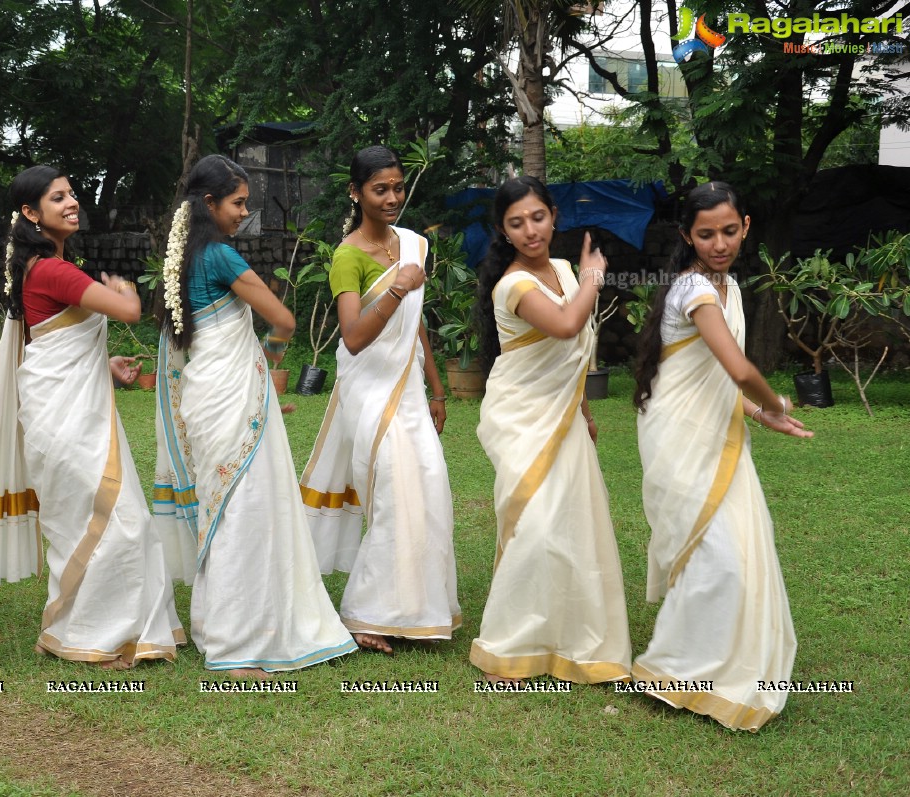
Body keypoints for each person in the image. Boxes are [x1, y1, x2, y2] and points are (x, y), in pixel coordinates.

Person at [0, 165, 182, 669]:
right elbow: (129, 311)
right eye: (57, 197)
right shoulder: (52, 269)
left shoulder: (48, 267)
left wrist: (102, 363)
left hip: (69, 405)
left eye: (72, 193)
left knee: (111, 518)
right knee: (110, 520)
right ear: (30, 213)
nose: (72, 202)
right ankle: (91, 636)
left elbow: (51, 340)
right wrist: (126, 291)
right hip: (63, 415)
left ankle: (105, 631)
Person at [152, 154, 356, 677]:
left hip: (205, 394)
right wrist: (267, 359)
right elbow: (284, 319)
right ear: (209, 202)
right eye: (239, 202)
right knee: (244, 509)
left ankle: (219, 627)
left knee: (224, 509)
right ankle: (237, 640)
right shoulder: (219, 256)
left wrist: (253, 371)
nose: (245, 212)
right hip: (233, 396)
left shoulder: (180, 259)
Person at [632, 181, 809, 730]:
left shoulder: (728, 286)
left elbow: (721, 382)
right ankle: (678, 668)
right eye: (705, 234)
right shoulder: (695, 291)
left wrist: (758, 416)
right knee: (716, 554)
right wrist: (775, 402)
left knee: (736, 551)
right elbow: (738, 369)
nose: (719, 243)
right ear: (687, 235)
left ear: (746, 227)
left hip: (720, 431)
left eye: (729, 231)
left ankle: (714, 662)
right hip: (679, 435)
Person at [469, 176, 632, 685]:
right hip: (521, 414)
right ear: (503, 230)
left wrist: (582, 407)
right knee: (534, 525)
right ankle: (512, 644)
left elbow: (574, 349)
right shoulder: (514, 284)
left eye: (537, 217)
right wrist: (594, 277)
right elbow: (564, 324)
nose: (530, 230)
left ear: (553, 215)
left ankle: (570, 636)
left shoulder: (562, 268)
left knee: (573, 524)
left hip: (563, 414)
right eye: (516, 223)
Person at [299, 145, 460, 654]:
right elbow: (353, 337)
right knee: (393, 497)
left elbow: (416, 329)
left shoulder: (412, 245)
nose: (393, 198)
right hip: (369, 393)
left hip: (410, 388)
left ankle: (418, 608)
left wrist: (437, 389)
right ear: (356, 193)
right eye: (380, 189)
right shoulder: (347, 256)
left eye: (398, 187)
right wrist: (397, 288)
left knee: (429, 488)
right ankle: (366, 613)